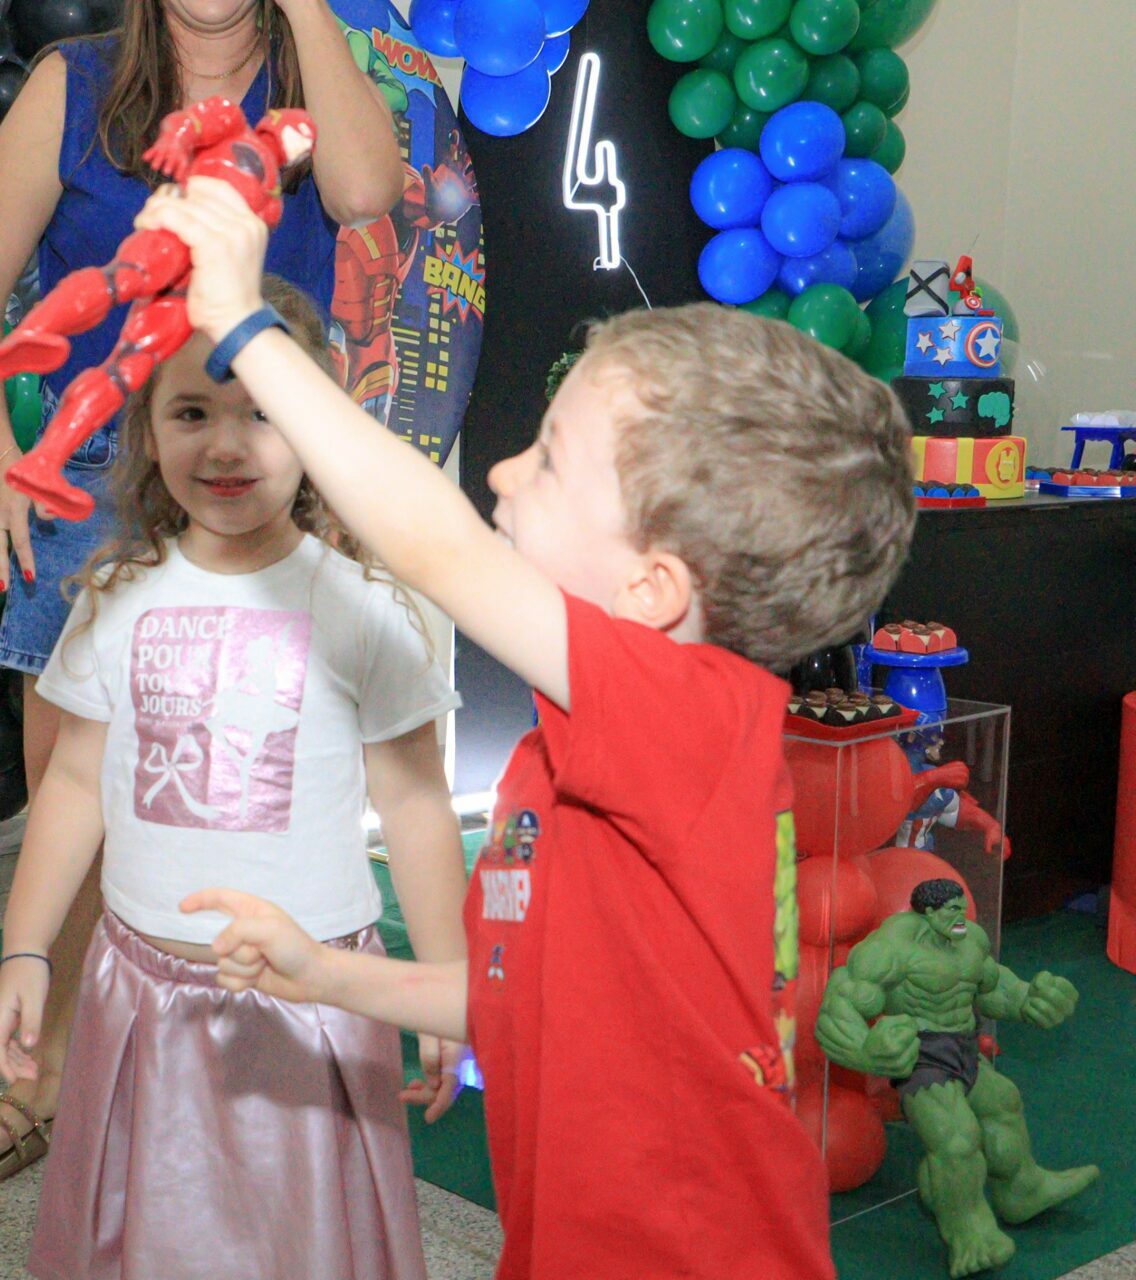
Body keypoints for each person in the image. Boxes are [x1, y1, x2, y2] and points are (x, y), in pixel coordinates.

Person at [150, 178, 920, 1279]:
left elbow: (440, 549)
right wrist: (320, 972)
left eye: (549, 458)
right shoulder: (560, 757)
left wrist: (243, 324)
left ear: (653, 588)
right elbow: (520, 997)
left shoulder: (695, 718)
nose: (506, 470)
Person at [0, 0, 403, 1188]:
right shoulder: (73, 80)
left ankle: (239, 1077)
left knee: (257, 791)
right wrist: (0, 460)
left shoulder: (311, 74)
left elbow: (363, 193)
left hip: (272, 466)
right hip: (98, 475)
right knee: (75, 800)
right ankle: (45, 1083)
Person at [0, 275, 464, 1278]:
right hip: (141, 996)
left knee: (302, 1241)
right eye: (193, 412)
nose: (225, 445)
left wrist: (441, 987)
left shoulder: (364, 609)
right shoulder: (115, 597)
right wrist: (27, 947)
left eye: (262, 412)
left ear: (316, 423)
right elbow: (73, 784)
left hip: (307, 1001)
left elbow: (416, 803)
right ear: (148, 431)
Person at [816, 879, 1096, 1279]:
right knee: (956, 1138)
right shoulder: (891, 948)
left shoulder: (971, 941)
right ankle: (968, 1233)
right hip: (923, 1056)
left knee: (1003, 1101)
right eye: (951, 910)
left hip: (963, 1046)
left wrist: (1029, 1000)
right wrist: (865, 1049)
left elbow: (993, 987)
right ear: (928, 914)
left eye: (962, 908)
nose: (960, 917)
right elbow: (839, 1005)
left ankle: (1023, 1189)